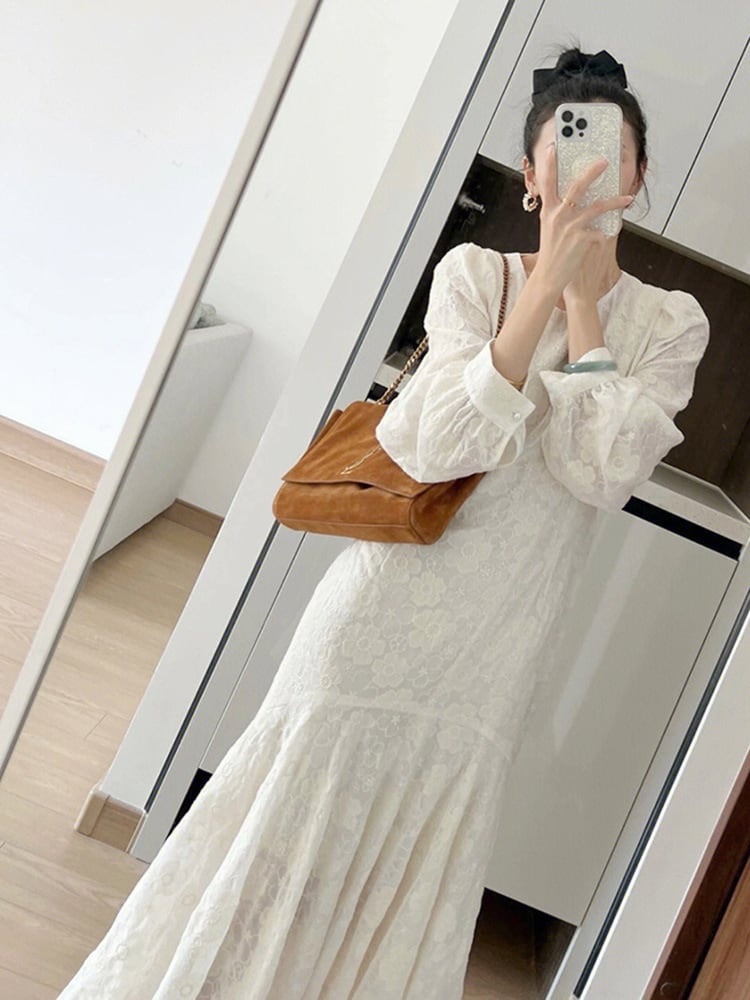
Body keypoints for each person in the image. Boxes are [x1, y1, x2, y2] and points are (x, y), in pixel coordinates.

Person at [58, 46, 710, 1000]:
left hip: (492, 657)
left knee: (396, 894)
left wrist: (583, 301)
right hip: (376, 628)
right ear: (531, 178)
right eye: (566, 158)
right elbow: (438, 444)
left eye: (611, 157)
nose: (588, 178)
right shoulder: (474, 275)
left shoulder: (671, 323)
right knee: (272, 858)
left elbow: (599, 469)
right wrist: (542, 290)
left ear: (640, 177)